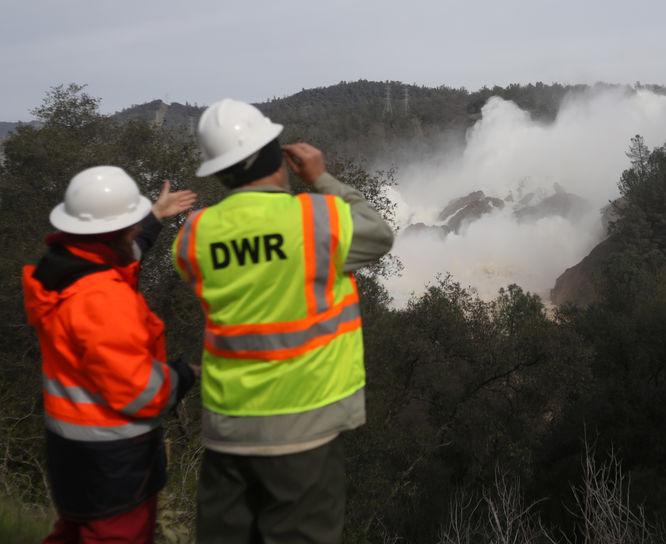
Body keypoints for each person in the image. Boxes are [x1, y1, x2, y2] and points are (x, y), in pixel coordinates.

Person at [172, 98, 394, 543]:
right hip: (303, 430)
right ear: (280, 159)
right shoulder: (319, 218)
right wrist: (320, 178)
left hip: (227, 429)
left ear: (217, 173)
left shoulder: (193, 234)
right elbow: (379, 232)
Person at [21, 166, 200, 544]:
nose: (137, 230)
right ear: (119, 231)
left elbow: (114, 263)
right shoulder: (104, 299)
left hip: (68, 447)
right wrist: (185, 375)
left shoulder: (56, 270)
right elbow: (140, 392)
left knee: (71, 532)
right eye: (132, 224)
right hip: (113, 460)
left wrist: (152, 218)